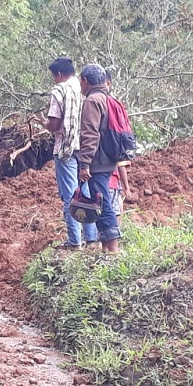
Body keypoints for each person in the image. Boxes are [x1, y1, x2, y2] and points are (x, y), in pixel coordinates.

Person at [76, 63, 121, 253]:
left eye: (80, 81)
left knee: (102, 203)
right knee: (100, 202)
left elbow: (90, 134)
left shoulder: (93, 100)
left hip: (98, 162)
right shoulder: (108, 98)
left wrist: (84, 163)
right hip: (108, 159)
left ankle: (113, 250)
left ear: (85, 81)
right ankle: (106, 248)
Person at [41, 57, 83, 249]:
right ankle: (90, 237)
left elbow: (54, 123)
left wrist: (44, 124)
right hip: (84, 147)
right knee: (85, 192)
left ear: (58, 74)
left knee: (69, 194)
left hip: (65, 147)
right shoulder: (83, 87)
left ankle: (74, 241)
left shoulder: (60, 90)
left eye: (54, 76)